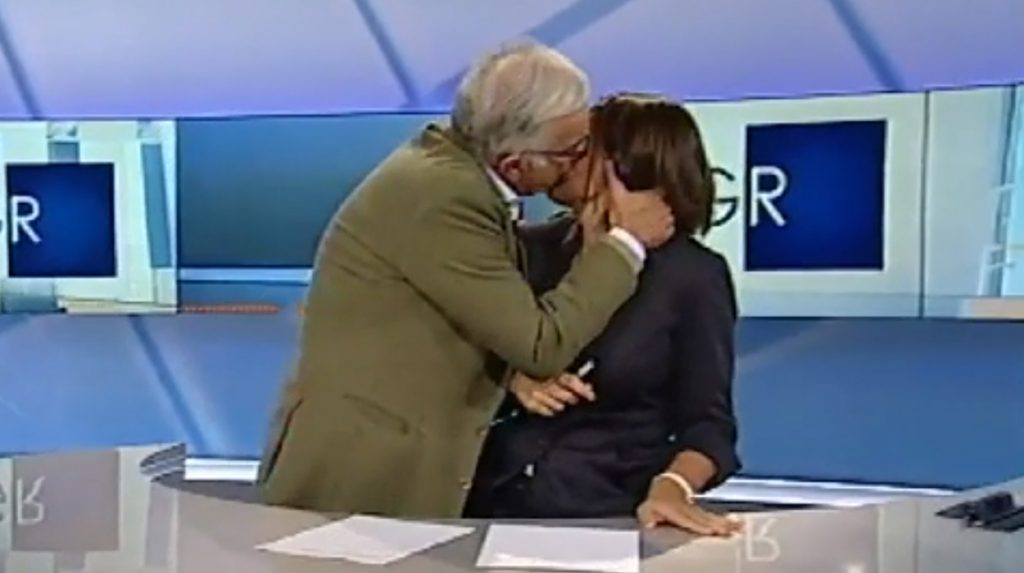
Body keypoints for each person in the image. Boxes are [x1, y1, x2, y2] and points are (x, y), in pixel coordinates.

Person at [256, 43, 676, 517]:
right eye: (571, 151)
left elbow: (450, 310)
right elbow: (542, 345)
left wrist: (508, 377)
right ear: (516, 163)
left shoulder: (454, 173)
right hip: (361, 474)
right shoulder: (444, 197)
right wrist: (626, 243)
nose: (581, 161)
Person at [465, 93, 742, 536]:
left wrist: (672, 488)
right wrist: (514, 379)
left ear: (627, 167)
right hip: (485, 503)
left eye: (581, 148)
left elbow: (708, 427)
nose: (562, 155)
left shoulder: (692, 277)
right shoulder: (529, 250)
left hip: (605, 515)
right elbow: (456, 358)